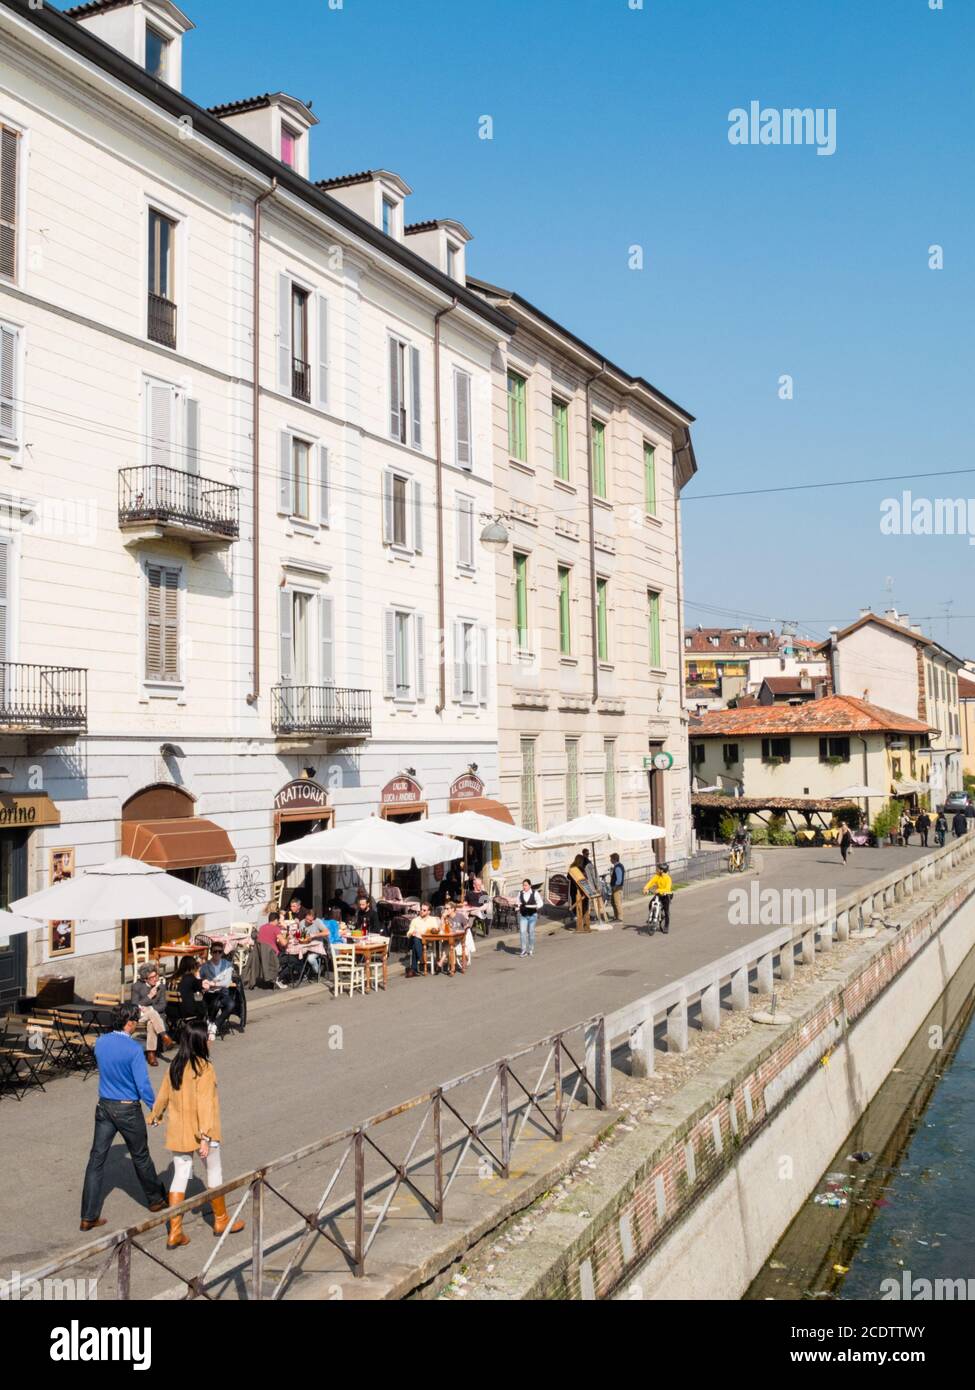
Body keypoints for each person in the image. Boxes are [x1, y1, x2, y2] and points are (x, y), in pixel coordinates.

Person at [150, 1020, 244, 1248]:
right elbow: (205, 1104)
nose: (211, 1040)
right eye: (208, 1036)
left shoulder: (175, 1064)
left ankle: (175, 1231)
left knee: (180, 1176)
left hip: (179, 1130)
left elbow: (163, 1093)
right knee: (214, 1171)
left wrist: (155, 1114)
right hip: (203, 1131)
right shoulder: (204, 1068)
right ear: (199, 1041)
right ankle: (221, 1220)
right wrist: (205, 1136)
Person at [79, 1003, 168, 1232]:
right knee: (140, 1156)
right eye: (136, 1021)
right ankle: (155, 1199)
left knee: (96, 1160)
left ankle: (88, 1215)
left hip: (104, 1106)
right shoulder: (133, 1049)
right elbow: (143, 1085)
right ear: (129, 1023)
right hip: (128, 1109)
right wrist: (155, 1109)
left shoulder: (100, 1043)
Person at [130, 962, 174, 1067]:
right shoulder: (137, 986)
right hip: (139, 1016)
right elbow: (134, 1005)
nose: (155, 979)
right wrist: (149, 996)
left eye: (156, 975)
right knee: (151, 1015)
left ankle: (151, 1054)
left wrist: (149, 1008)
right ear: (145, 979)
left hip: (155, 1016)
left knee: (151, 1022)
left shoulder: (161, 987)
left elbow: (163, 1005)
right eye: (152, 977)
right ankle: (164, 1036)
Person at [199, 945, 235, 1040]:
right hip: (210, 993)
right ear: (211, 953)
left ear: (222, 953)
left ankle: (215, 1025)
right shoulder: (205, 966)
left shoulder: (227, 965)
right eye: (215, 952)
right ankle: (210, 1022)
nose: (217, 954)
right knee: (216, 1002)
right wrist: (204, 983)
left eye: (219, 952)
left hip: (223, 993)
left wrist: (213, 983)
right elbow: (199, 978)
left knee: (231, 1004)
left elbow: (227, 982)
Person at [405, 902, 440, 977]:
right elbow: (409, 932)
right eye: (421, 909)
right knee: (416, 938)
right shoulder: (415, 920)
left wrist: (431, 931)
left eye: (424, 910)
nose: (421, 911)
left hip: (427, 942)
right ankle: (421, 958)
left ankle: (414, 969)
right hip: (414, 939)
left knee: (415, 945)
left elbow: (436, 930)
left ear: (429, 912)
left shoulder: (432, 920)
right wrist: (412, 933)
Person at [643, 862, 674, 934]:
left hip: (666, 894)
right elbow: (651, 882)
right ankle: (653, 916)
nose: (658, 869)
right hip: (658, 894)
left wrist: (658, 890)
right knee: (651, 904)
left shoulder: (668, 878)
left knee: (666, 911)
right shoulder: (657, 876)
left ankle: (666, 926)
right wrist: (646, 888)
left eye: (659, 868)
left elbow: (667, 888)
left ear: (662, 870)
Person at [517, 879, 543, 957]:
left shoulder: (535, 893)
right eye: (523, 885)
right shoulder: (520, 893)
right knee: (522, 932)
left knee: (531, 933)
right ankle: (523, 950)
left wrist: (536, 907)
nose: (524, 887)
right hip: (523, 916)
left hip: (532, 915)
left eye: (525, 885)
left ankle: (531, 949)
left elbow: (540, 902)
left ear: (530, 885)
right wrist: (517, 907)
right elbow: (518, 902)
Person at [568, 854, 592, 933]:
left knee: (583, 908)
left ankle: (585, 925)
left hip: (582, 891)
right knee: (582, 908)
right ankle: (582, 925)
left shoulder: (573, 869)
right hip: (578, 892)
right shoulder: (575, 869)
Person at [608, 854, 625, 922]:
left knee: (617, 902)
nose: (610, 860)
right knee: (613, 902)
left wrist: (615, 887)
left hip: (617, 888)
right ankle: (616, 916)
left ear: (614, 859)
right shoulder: (617, 866)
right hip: (616, 888)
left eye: (611, 858)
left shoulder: (618, 867)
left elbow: (619, 880)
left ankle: (620, 917)